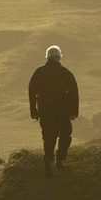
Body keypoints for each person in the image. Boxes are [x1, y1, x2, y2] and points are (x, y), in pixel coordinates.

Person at [28, 44, 80, 176]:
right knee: (65, 135)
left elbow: (32, 92)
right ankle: (60, 159)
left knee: (48, 136)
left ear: (47, 57)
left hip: (45, 111)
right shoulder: (65, 73)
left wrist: (33, 111)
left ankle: (48, 163)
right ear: (59, 57)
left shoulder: (39, 72)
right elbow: (74, 93)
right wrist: (74, 111)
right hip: (63, 110)